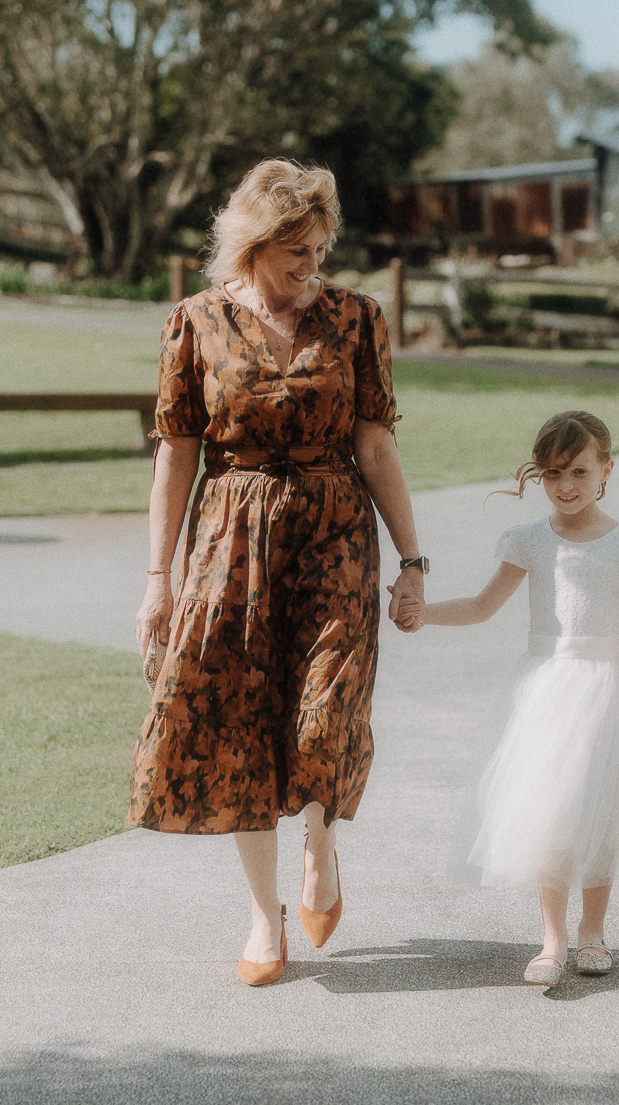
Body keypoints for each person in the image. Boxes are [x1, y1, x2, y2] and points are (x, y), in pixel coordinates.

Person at [130, 160, 427, 984]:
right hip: (229, 543)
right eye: (296, 249)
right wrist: (158, 579)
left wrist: (412, 562)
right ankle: (264, 920)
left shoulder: (358, 319)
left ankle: (320, 847)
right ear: (254, 245)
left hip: (336, 537)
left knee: (324, 712)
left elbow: (375, 446)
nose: (311, 265)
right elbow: (175, 456)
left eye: (322, 247)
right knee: (238, 728)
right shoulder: (193, 323)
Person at [398, 410, 619, 986]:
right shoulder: (529, 541)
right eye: (552, 474)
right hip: (547, 686)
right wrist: (425, 614)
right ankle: (552, 939)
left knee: (599, 807)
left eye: (578, 470)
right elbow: (481, 606)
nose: (566, 486)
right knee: (552, 810)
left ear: (607, 469)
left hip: (605, 687)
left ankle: (593, 931)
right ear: (539, 477)